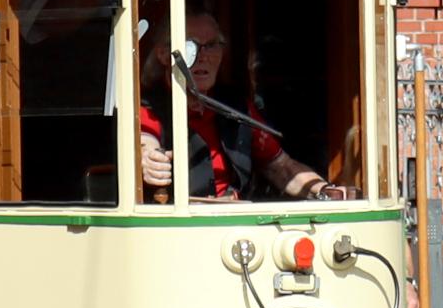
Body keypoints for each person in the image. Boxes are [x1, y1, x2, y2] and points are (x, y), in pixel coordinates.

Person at [138, 11, 344, 201]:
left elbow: (281, 168)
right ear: (164, 55)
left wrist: (325, 191)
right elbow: (145, 142)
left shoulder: (235, 106)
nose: (203, 57)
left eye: (211, 45)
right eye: (189, 46)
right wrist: (149, 160)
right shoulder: (149, 108)